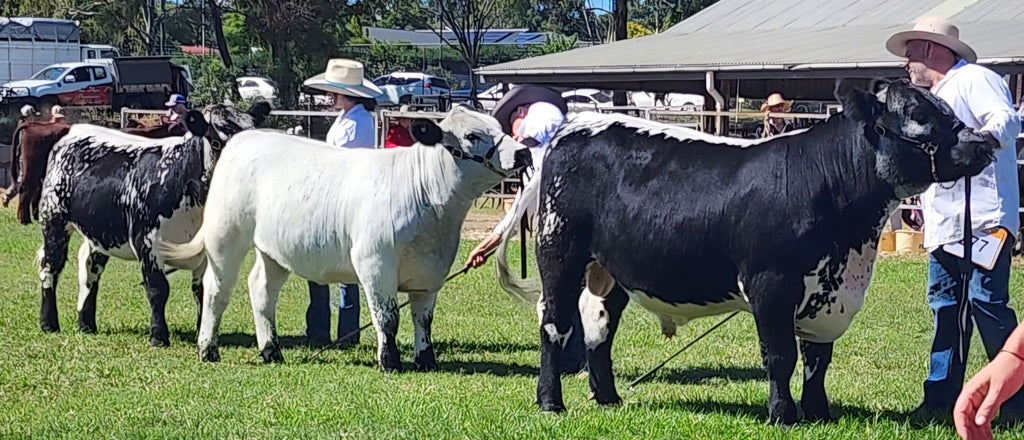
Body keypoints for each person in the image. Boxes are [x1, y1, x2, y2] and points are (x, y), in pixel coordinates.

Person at [884, 16, 1023, 421]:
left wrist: (983, 140)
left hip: (982, 218)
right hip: (946, 222)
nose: (906, 62)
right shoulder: (934, 95)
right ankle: (941, 397)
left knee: (986, 304)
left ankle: (1014, 394)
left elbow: (1006, 119)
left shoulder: (974, 79)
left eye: (910, 52)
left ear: (930, 50)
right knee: (946, 305)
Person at [463, 84, 587, 374]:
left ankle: (571, 360)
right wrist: (490, 243)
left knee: (562, 297)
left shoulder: (542, 153)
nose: (515, 136)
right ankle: (574, 359)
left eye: (516, 128)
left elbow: (524, 200)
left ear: (523, 114)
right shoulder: (561, 153)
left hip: (562, 239)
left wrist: (488, 243)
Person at [301, 58, 383, 347]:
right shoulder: (354, 118)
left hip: (337, 199)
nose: (329, 97)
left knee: (328, 266)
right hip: (346, 197)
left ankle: (325, 330)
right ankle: (342, 331)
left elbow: (336, 162)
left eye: (332, 92)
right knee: (345, 270)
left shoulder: (354, 123)